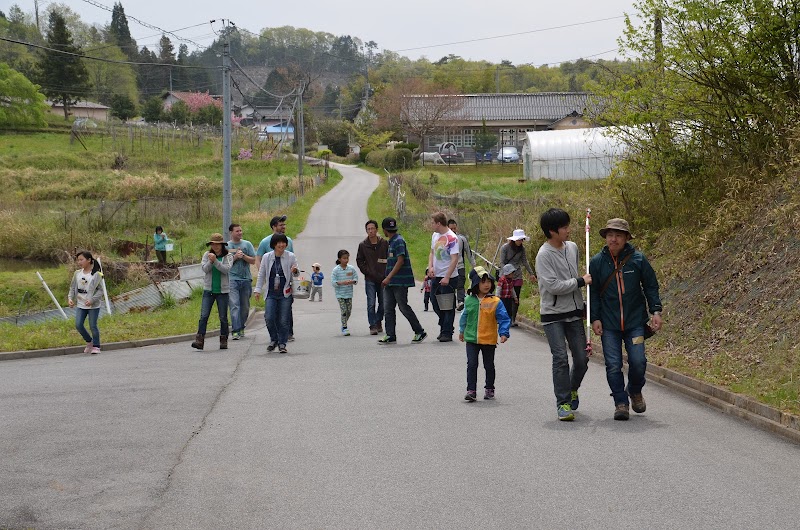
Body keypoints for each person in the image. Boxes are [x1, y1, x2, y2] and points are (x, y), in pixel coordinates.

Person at [589, 218, 663, 421]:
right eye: (610, 235)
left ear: (626, 238)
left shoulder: (638, 259)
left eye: (618, 235)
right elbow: (593, 293)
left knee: (638, 361)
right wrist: (594, 318)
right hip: (609, 324)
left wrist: (656, 311)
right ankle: (620, 402)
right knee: (613, 364)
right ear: (605, 237)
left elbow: (651, 286)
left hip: (635, 323)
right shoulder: (596, 262)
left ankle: (635, 390)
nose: (614, 239)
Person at [536, 208, 591, 421]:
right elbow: (553, 286)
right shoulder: (543, 255)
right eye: (564, 227)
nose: (569, 230)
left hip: (574, 312)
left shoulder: (573, 248)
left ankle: (572, 387)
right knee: (560, 358)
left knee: (582, 359)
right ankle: (563, 403)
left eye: (568, 225)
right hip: (552, 315)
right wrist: (579, 281)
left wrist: (582, 302)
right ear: (552, 231)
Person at [458, 266, 511, 401]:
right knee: (472, 364)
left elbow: (503, 318)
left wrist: (504, 333)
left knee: (489, 365)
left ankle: (489, 388)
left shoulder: (495, 301)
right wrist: (461, 330)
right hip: (472, 339)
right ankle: (471, 390)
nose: (487, 284)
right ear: (476, 284)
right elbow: (464, 316)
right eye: (483, 282)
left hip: (489, 339)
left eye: (489, 281)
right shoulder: (469, 300)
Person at [379, 217, 427, 344]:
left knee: (403, 306)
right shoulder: (391, 242)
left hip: (399, 281)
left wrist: (388, 277)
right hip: (390, 282)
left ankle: (419, 331)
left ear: (384, 230)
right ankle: (390, 335)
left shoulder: (399, 241)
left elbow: (401, 260)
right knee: (388, 308)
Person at [254, 233, 298, 354]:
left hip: (285, 293)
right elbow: (261, 274)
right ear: (274, 244)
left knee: (284, 320)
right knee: (269, 317)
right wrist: (257, 290)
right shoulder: (267, 257)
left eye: (283, 242)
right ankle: (274, 339)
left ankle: (282, 343)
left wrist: (295, 270)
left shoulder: (291, 256)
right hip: (271, 293)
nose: (281, 245)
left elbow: (296, 274)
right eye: (278, 243)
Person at [191, 233, 234, 351]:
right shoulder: (206, 255)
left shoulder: (228, 256)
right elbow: (205, 269)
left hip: (223, 291)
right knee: (204, 316)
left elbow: (226, 270)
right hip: (208, 290)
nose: (215, 246)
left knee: (223, 317)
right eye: (213, 244)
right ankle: (199, 340)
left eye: (218, 244)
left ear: (222, 245)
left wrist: (215, 261)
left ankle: (224, 340)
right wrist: (210, 261)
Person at [427, 212, 460, 342]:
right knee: (434, 302)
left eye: (433, 223)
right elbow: (432, 252)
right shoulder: (435, 235)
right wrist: (430, 267)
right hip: (436, 275)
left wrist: (447, 276)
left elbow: (454, 258)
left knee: (447, 305)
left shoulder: (452, 238)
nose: (432, 225)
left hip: (449, 277)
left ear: (438, 223)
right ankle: (445, 325)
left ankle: (446, 332)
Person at [356, 219, 389, 335]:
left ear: (377, 229)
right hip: (370, 279)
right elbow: (359, 260)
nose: (371, 231)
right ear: (366, 231)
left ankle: (378, 320)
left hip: (383, 278)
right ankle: (373, 325)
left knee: (383, 303)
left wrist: (387, 272)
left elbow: (389, 258)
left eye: (372, 229)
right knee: (371, 303)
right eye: (368, 229)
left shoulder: (384, 243)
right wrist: (367, 271)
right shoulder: (363, 245)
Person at [68, 251, 104, 354]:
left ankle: (96, 346)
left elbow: (101, 290)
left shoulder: (96, 274)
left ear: (89, 260)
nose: (79, 262)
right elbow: (72, 287)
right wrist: (70, 298)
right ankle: (89, 341)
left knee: (93, 325)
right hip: (80, 304)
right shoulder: (77, 273)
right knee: (78, 325)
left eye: (81, 260)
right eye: (78, 260)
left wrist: (92, 300)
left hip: (93, 305)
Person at [499, 228, 537, 327]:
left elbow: (525, 261)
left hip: (517, 274)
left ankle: (513, 319)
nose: (520, 241)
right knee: (506, 297)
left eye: (522, 240)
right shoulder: (505, 248)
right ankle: (505, 317)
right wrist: (506, 273)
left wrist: (531, 273)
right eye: (519, 239)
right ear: (514, 239)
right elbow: (502, 262)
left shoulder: (522, 249)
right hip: (506, 275)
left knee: (516, 298)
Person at [227, 223, 256, 340]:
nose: (240, 233)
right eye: (237, 231)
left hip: (246, 279)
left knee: (244, 307)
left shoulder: (247, 244)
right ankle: (235, 330)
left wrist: (243, 256)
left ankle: (241, 327)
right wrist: (235, 257)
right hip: (232, 279)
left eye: (240, 231)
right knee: (234, 305)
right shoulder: (227, 246)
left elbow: (253, 260)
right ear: (231, 233)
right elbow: (225, 264)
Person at [447, 219, 476, 310]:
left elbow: (468, 252)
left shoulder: (462, 239)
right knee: (450, 286)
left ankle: (460, 301)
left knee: (460, 285)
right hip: (448, 267)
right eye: (451, 228)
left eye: (454, 228)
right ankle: (451, 304)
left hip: (460, 266)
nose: (453, 230)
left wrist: (473, 265)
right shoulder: (444, 239)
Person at [331, 249, 359, 336]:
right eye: (344, 258)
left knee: (349, 311)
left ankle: (344, 322)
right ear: (339, 259)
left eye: (347, 258)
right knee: (344, 310)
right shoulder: (336, 270)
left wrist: (352, 282)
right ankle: (344, 327)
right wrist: (341, 283)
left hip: (349, 293)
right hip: (340, 294)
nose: (346, 260)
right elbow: (333, 282)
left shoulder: (351, 268)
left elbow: (356, 278)